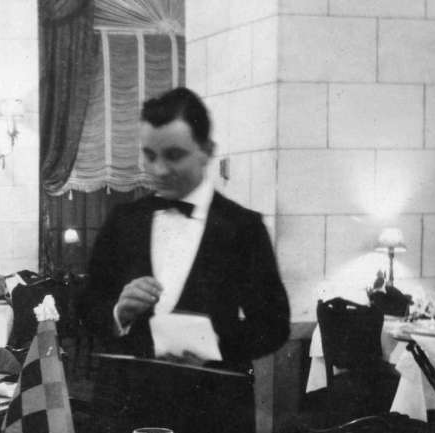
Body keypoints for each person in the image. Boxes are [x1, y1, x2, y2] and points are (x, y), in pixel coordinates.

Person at [82, 87, 290, 369]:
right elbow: (85, 308)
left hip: (213, 403)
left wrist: (214, 350)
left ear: (207, 151)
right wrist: (120, 312)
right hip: (131, 402)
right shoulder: (123, 221)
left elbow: (274, 326)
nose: (158, 170)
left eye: (174, 155)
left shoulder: (244, 228)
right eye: (150, 155)